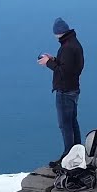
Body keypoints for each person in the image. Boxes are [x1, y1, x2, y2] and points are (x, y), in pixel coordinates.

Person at [37, 17, 85, 166]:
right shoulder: (73, 44)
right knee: (72, 122)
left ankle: (68, 155)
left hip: (65, 91)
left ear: (58, 33)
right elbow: (69, 66)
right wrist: (54, 59)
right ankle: (77, 152)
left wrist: (48, 63)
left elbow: (64, 71)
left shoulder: (68, 47)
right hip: (73, 89)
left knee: (65, 124)